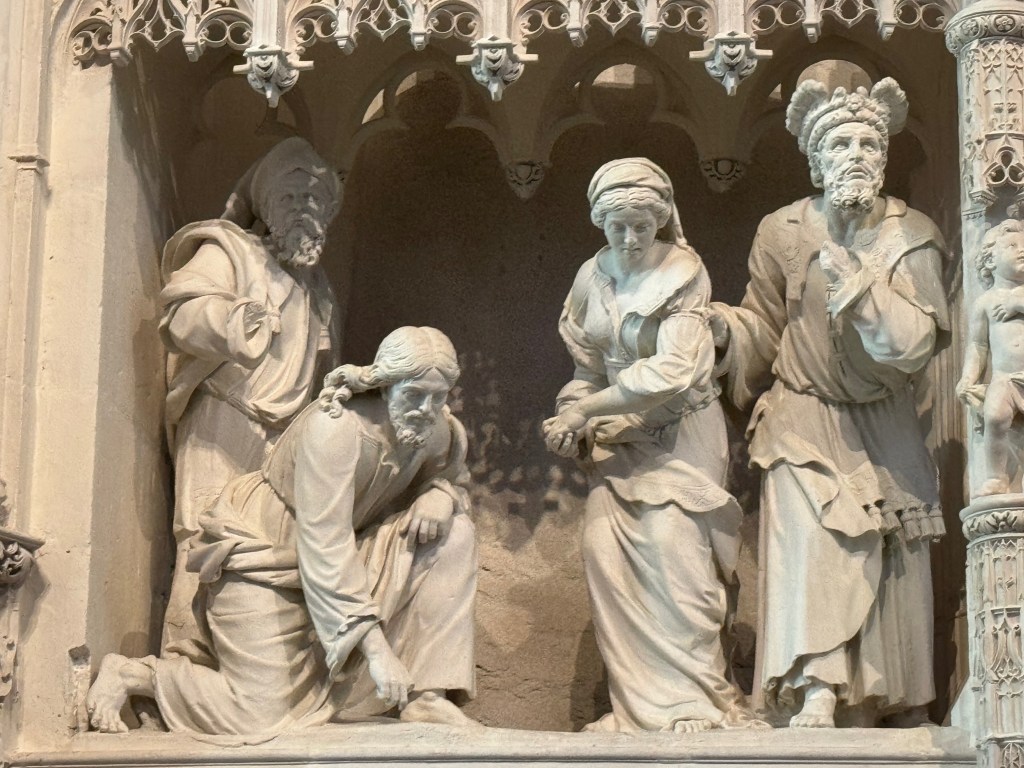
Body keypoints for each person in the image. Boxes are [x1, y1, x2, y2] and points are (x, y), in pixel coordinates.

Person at [86, 327, 478, 735]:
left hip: (348, 559)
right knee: (257, 718)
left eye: (438, 397)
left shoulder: (435, 431)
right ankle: (135, 675)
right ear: (383, 385)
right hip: (265, 560)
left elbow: (451, 477)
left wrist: (440, 494)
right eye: (414, 394)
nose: (426, 409)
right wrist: (377, 652)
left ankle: (426, 697)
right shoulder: (335, 428)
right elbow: (324, 545)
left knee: (455, 534)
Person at [711, 78, 948, 728]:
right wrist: (726, 332)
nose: (856, 154)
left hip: (885, 422)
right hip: (802, 416)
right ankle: (814, 686)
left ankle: (891, 701)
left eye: (869, 143)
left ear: (885, 157)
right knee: (812, 548)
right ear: (816, 160)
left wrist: (866, 295)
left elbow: (919, 342)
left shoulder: (912, 235)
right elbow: (765, 326)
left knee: (894, 556)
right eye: (840, 143)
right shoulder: (783, 231)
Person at [543, 158, 758, 733]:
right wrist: (571, 415)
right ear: (600, 222)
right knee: (603, 551)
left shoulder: (683, 270)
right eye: (619, 227)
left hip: (681, 431)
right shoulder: (590, 278)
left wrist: (589, 409)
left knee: (674, 550)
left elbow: (673, 372)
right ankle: (637, 710)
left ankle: (697, 701)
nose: (631, 238)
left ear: (660, 220)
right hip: (618, 439)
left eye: (642, 225)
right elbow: (586, 370)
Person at [159, 138, 341, 652]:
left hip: (288, 437)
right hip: (226, 417)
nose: (303, 209)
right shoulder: (231, 251)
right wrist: (234, 321)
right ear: (266, 204)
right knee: (205, 534)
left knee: (269, 548)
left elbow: (323, 367)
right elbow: (182, 316)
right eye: (290, 197)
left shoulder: (319, 288)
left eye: (314, 200)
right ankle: (186, 655)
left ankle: (254, 666)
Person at [958, 219, 1024, 495]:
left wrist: (1018, 303)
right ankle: (997, 477)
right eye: (1012, 246)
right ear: (990, 261)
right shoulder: (985, 302)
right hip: (1004, 379)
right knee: (995, 418)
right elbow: (978, 345)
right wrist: (968, 378)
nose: (1022, 250)